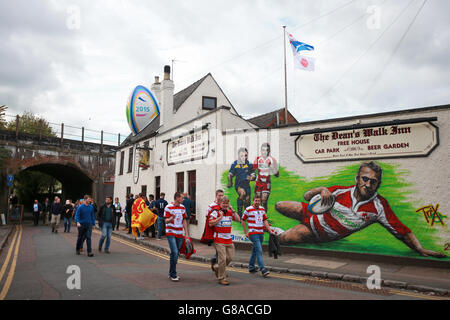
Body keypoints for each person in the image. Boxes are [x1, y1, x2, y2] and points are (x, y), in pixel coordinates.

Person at [275, 161, 447, 258]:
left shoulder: (379, 206)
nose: (368, 184)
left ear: (378, 184)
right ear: (357, 178)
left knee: (283, 238)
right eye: (365, 179)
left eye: (373, 181)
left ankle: (281, 232)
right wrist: (321, 189)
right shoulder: (339, 190)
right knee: (279, 205)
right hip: (311, 212)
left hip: (316, 231)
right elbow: (307, 196)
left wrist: (420, 249)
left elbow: (401, 231)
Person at [209, 196, 241, 285]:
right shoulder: (215, 212)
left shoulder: (230, 212)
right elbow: (210, 223)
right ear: (220, 203)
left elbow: (238, 219)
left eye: (227, 203)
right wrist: (220, 217)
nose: (225, 205)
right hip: (219, 240)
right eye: (224, 203)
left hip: (228, 239)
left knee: (229, 258)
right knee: (222, 259)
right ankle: (221, 278)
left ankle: (217, 267)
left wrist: (233, 210)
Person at [241, 194, 275, 277]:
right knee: (259, 250)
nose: (257, 202)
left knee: (255, 250)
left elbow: (265, 220)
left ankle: (251, 267)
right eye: (256, 200)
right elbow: (242, 220)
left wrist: (270, 231)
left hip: (261, 233)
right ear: (253, 201)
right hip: (253, 233)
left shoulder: (262, 209)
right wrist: (246, 232)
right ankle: (263, 269)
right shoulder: (248, 209)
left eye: (258, 201)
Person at [164, 192, 190, 281]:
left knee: (175, 253)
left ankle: (171, 272)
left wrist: (186, 234)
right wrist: (172, 218)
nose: (184, 199)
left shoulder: (182, 207)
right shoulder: (168, 207)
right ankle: (173, 274)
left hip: (179, 233)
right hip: (170, 232)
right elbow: (166, 221)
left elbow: (184, 221)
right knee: (174, 252)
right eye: (182, 198)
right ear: (177, 198)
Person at [228, 147, 255, 217]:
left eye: (246, 155)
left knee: (247, 199)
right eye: (242, 156)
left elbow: (253, 175)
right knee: (242, 193)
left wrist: (251, 178)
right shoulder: (235, 164)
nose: (244, 157)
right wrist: (230, 182)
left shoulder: (249, 164)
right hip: (239, 185)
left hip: (246, 185)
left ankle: (246, 216)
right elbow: (230, 174)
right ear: (239, 156)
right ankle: (239, 215)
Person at [253, 143, 279, 212]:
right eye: (263, 150)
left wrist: (272, 167)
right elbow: (252, 170)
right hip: (258, 182)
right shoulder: (257, 159)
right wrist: (252, 176)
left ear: (269, 151)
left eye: (267, 150)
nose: (265, 152)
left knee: (264, 201)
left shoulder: (272, 159)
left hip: (266, 183)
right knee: (258, 201)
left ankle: (263, 219)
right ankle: (257, 217)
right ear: (261, 151)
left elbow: (277, 174)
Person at [206, 189, 224, 273]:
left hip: (223, 231)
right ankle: (219, 269)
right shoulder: (211, 206)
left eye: (222, 195)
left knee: (220, 252)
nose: (221, 197)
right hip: (214, 231)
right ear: (216, 196)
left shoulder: (224, 205)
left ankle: (214, 261)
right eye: (219, 195)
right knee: (219, 251)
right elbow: (207, 218)